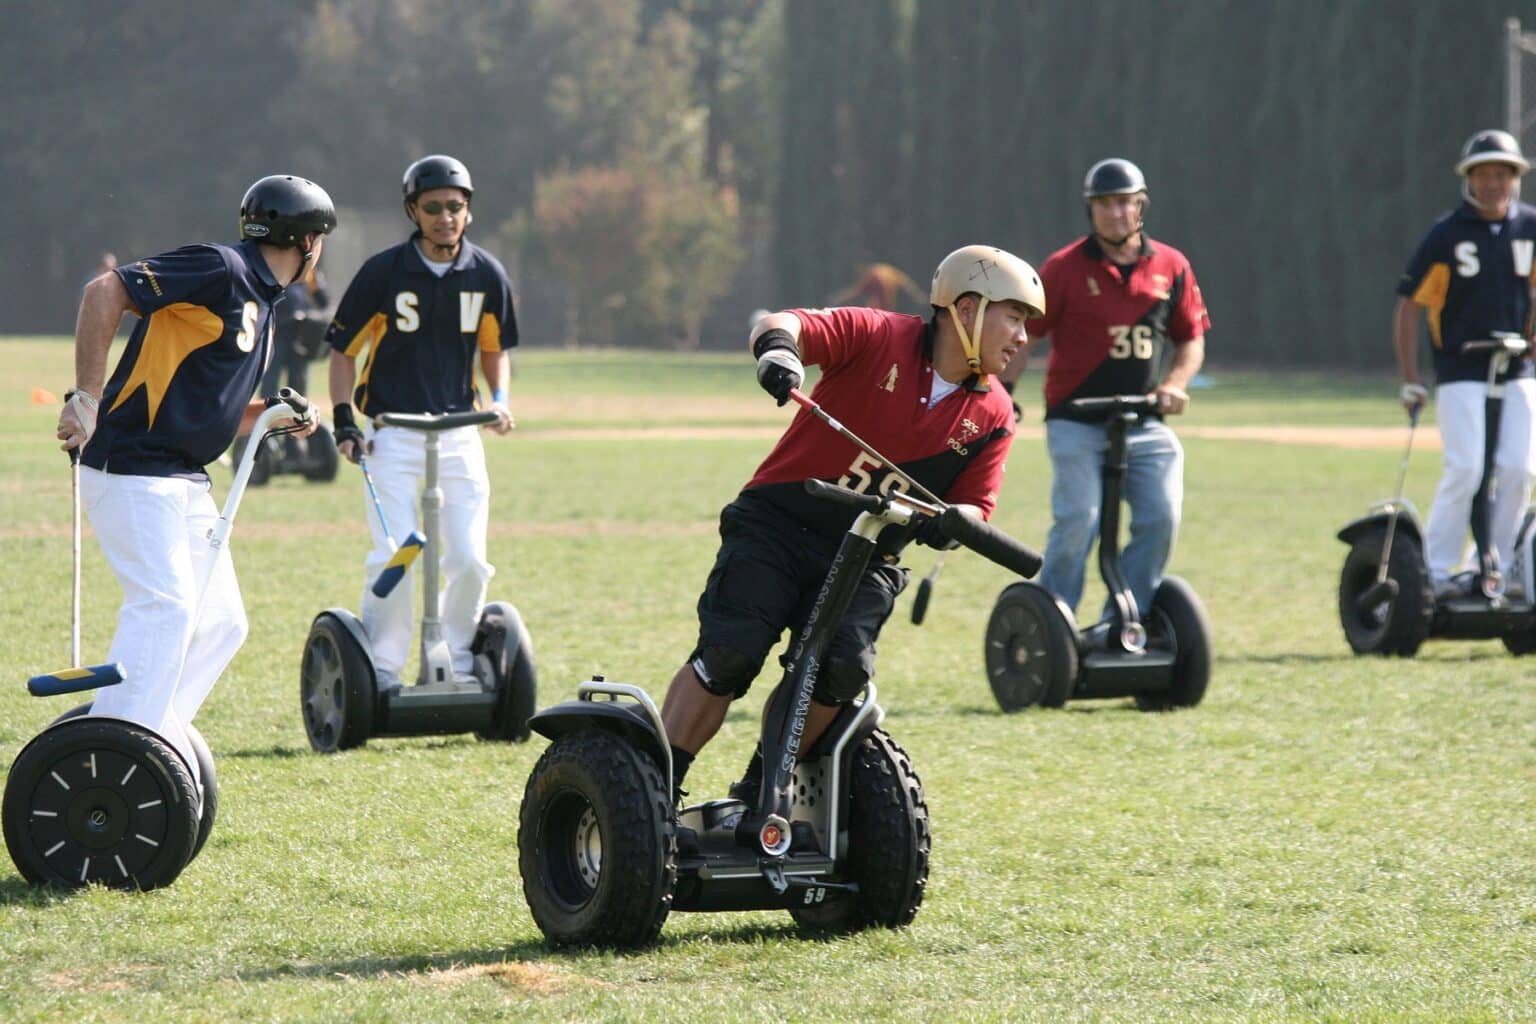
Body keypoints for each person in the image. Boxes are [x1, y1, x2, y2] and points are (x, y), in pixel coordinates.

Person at [659, 244, 1044, 802]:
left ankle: (761, 791)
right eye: (1014, 318)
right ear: (967, 309)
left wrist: (953, 521)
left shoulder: (995, 413)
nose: (1022, 338)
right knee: (730, 654)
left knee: (839, 673)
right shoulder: (877, 334)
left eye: (1026, 323)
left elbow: (976, 507)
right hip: (777, 526)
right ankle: (658, 786)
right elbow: (783, 323)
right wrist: (778, 353)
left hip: (868, 556)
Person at [54, 174, 335, 785]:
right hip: (131, 470)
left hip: (182, 479)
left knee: (222, 622)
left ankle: (149, 745)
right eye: (321, 240)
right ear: (307, 240)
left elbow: (211, 411)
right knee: (166, 609)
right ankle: (112, 766)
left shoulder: (264, 301)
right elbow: (104, 292)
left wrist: (273, 415)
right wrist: (85, 396)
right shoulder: (221, 269)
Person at [326, 154, 518, 689]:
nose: (445, 217)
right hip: (392, 434)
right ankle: (382, 670)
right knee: (396, 555)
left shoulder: (486, 274)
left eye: (455, 207)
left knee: (470, 558)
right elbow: (342, 352)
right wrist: (345, 420)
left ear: (468, 212)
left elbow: (493, 347)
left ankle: (455, 663)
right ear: (413, 210)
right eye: (432, 207)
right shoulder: (383, 273)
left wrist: (500, 398)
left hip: (459, 434)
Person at [1000, 158, 1209, 624]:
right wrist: (1003, 393)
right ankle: (1054, 625)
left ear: (1142, 206)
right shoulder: (1063, 268)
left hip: (1144, 420)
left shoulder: (1171, 266)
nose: (1115, 213)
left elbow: (1191, 337)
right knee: (1080, 519)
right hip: (1076, 420)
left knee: (1160, 518)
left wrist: (1175, 385)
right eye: (1104, 204)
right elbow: (1023, 337)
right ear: (1090, 210)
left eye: (1125, 203)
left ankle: (1125, 620)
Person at [1393, 130, 1536, 600]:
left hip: (1516, 369)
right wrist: (1412, 379)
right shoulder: (1447, 233)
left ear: (1515, 179)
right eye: (1484, 175)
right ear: (1468, 180)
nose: (1493, 183)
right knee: (1466, 468)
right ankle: (1436, 571)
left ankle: (1492, 564)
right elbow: (1410, 306)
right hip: (1461, 368)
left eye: (1502, 174)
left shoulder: (1530, 228)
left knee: (1521, 469)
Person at [260, 258, 330, 399]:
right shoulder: (272, 268)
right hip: (276, 332)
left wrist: (317, 282)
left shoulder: (308, 271)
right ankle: (267, 412)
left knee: (298, 379)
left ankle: (296, 416)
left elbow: (323, 302)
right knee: (270, 378)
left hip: (299, 333)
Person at [827, 261, 929, 311]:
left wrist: (837, 299)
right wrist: (918, 296)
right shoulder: (885, 270)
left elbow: (855, 292)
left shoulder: (873, 275)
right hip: (890, 311)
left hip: (885, 311)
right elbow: (907, 284)